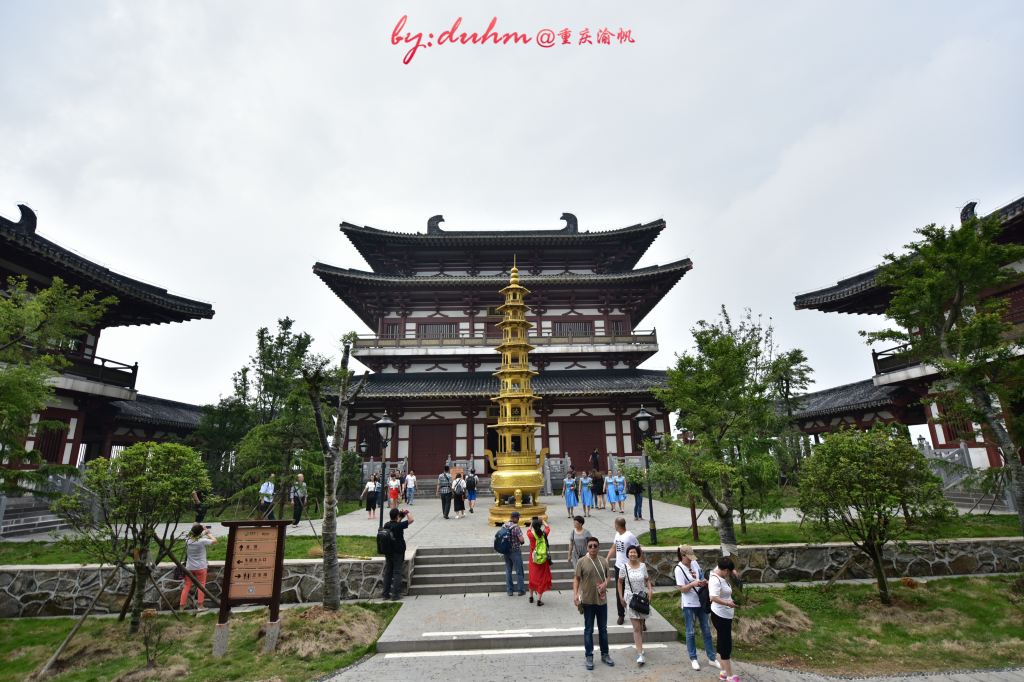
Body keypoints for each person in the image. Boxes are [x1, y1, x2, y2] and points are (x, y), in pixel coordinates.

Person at [573, 535, 615, 670]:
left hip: (602, 601)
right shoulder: (581, 561)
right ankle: (589, 655)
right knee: (588, 629)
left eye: (595, 546)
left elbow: (609, 577)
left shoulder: (604, 561)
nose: (592, 548)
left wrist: (605, 584)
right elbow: (577, 579)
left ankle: (605, 654)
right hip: (587, 600)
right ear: (587, 547)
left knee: (603, 629)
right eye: (590, 546)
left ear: (598, 547)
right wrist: (575, 594)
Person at [675, 545, 720, 671]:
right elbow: (682, 589)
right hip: (689, 604)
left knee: (706, 630)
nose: (690, 560)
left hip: (701, 601)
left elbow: (700, 577)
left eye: (691, 557)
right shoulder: (679, 569)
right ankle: (693, 658)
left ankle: (712, 658)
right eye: (688, 557)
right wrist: (692, 584)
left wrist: (703, 581)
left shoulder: (694, 563)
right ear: (682, 556)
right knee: (690, 632)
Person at [618, 544, 653, 666]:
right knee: (636, 627)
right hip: (631, 599)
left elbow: (647, 580)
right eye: (630, 552)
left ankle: (640, 647)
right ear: (627, 554)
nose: (632, 554)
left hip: (642, 598)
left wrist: (650, 591)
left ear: (638, 554)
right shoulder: (624, 567)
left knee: (641, 623)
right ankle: (640, 654)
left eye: (634, 552)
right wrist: (621, 597)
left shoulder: (643, 566)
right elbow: (620, 582)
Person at [710, 556, 740, 682]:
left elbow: (722, 562)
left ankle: (723, 672)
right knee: (726, 644)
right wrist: (728, 603)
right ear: (725, 570)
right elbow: (713, 597)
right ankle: (729, 675)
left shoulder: (719, 569)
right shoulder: (715, 580)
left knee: (721, 641)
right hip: (720, 615)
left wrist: (732, 570)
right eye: (729, 572)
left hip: (724, 615)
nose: (729, 575)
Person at [606, 517, 638, 626]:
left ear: (617, 525)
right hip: (619, 567)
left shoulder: (629, 536)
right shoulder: (617, 535)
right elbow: (613, 548)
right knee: (619, 592)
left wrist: (641, 565)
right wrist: (607, 559)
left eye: (614, 524)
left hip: (630, 567)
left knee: (634, 591)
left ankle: (639, 616)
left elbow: (638, 550)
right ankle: (621, 615)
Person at [179, 523, 216, 611]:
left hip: (189, 567)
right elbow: (215, 541)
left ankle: (181, 607)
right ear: (200, 533)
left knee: (187, 586)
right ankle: (200, 606)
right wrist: (208, 533)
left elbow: (194, 536)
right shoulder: (202, 541)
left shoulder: (187, 540)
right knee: (201, 586)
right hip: (201, 567)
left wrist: (199, 530)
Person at [382, 507, 413, 600]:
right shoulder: (399, 526)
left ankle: (385, 594)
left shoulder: (386, 525)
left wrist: (399, 516)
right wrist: (406, 512)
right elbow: (411, 520)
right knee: (397, 572)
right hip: (398, 552)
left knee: (388, 572)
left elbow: (396, 522)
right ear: (397, 516)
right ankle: (395, 595)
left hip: (389, 552)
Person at [526, 516, 552, 606]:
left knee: (532, 578)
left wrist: (531, 523)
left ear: (533, 526)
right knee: (541, 579)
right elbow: (548, 527)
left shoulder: (531, 535)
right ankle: (539, 600)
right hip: (543, 560)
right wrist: (543, 520)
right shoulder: (544, 534)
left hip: (533, 560)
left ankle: (531, 597)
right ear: (540, 526)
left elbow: (528, 530)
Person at [502, 511, 526, 596]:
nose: (519, 519)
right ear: (515, 518)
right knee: (519, 571)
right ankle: (521, 590)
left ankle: (510, 591)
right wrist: (521, 542)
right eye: (518, 517)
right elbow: (522, 540)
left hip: (506, 551)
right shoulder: (516, 528)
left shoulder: (504, 525)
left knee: (508, 570)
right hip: (515, 551)